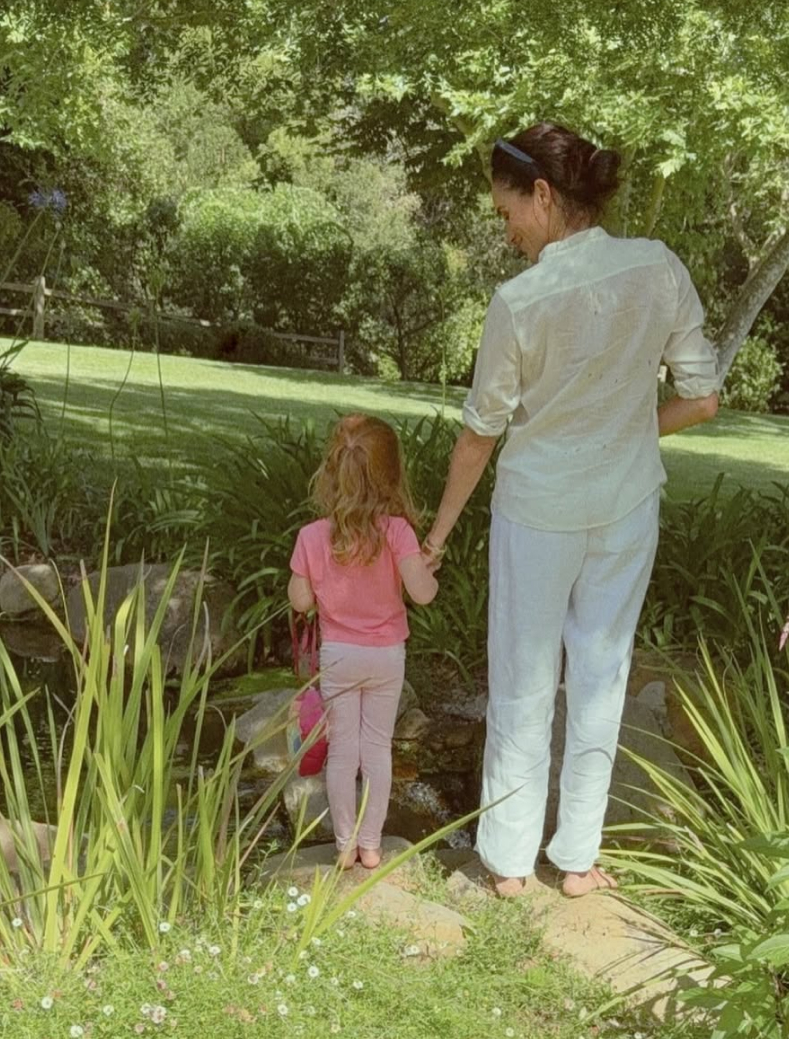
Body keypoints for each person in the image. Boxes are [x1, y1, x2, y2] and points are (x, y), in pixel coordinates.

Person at [420, 122, 721, 899]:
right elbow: (703, 397)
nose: (507, 230)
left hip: (539, 509)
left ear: (544, 195)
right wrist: (627, 430)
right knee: (602, 671)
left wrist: (438, 536)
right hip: (627, 507)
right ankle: (579, 859)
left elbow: (480, 435)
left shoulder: (520, 302)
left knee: (522, 676)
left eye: (506, 211)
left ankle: (511, 863)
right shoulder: (657, 268)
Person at [288, 415, 438, 870]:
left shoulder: (312, 536)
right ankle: (371, 845)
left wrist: (314, 581)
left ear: (332, 472)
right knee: (376, 748)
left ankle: (343, 845)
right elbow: (424, 595)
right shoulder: (398, 533)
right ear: (391, 476)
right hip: (386, 657)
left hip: (338, 657)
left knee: (342, 750)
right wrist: (427, 565)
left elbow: (300, 601)